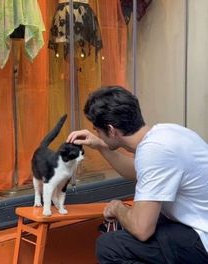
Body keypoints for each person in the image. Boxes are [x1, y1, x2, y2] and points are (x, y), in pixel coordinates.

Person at [67, 85, 208, 264]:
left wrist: (118, 208)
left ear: (111, 130)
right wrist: (101, 146)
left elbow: (142, 229)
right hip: (196, 225)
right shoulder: (165, 134)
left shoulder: (154, 152)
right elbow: (138, 172)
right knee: (125, 225)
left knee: (110, 246)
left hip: (203, 239)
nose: (97, 134)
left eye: (98, 130)